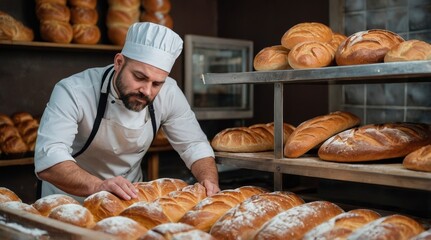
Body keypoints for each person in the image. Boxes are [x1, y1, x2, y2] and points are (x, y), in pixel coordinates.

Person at [34, 22, 220, 203]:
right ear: (119, 62)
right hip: (67, 200)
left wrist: (209, 181)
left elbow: (193, 145)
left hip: (127, 200)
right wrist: (99, 187)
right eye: (139, 77)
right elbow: (49, 158)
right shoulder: (74, 90)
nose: (147, 91)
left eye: (156, 84)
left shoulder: (169, 92)